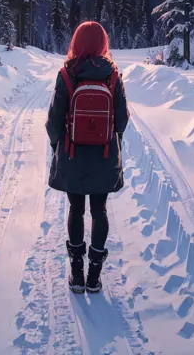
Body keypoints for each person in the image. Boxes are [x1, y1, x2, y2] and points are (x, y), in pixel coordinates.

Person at [45, 20, 129, 294]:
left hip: (73, 155)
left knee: (76, 210)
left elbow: (54, 120)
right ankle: (94, 276)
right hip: (104, 156)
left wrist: (57, 145)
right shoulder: (112, 75)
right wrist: (112, 142)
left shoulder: (67, 74)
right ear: (103, 42)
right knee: (99, 210)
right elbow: (122, 120)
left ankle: (77, 274)